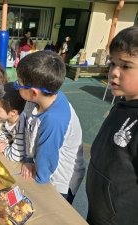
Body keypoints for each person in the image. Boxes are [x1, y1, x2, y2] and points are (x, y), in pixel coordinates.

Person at [16, 51, 85, 204]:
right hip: (43, 166)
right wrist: (28, 158)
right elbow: (29, 131)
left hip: (59, 182)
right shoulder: (38, 99)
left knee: (51, 210)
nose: (17, 86)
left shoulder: (54, 119)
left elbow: (46, 162)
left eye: (18, 84)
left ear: (33, 92)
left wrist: (37, 190)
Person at [86, 26, 138, 225]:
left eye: (126, 66)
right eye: (112, 63)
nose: (114, 72)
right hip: (99, 211)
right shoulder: (120, 105)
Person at [0, 82, 26, 162]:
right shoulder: (9, 118)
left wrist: (0, 147)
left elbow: (15, 156)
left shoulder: (20, 127)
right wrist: (0, 140)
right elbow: (5, 131)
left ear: (13, 112)